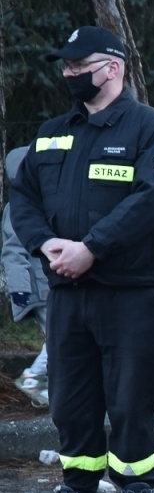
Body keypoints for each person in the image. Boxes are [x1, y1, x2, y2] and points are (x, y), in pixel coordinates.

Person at [11, 26, 154, 493]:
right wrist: (45, 244)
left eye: (78, 65)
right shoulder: (52, 133)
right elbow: (23, 196)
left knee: (131, 406)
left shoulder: (150, 128)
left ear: (112, 67)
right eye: (65, 66)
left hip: (129, 293)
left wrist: (93, 248)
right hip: (68, 293)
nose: (69, 74)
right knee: (72, 409)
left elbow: (151, 199)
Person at [4, 146, 50, 407]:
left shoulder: (39, 203)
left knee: (60, 336)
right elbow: (12, 251)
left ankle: (45, 392)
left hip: (48, 284)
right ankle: (32, 378)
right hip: (38, 288)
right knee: (60, 337)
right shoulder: (19, 209)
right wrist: (19, 289)